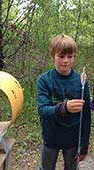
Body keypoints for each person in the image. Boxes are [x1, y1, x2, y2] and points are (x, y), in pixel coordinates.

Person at [37, 34, 91, 170]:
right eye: (61, 56)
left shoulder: (82, 82)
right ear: (53, 56)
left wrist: (84, 145)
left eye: (70, 56)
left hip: (72, 140)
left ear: (74, 56)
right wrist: (64, 107)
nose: (66, 61)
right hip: (50, 138)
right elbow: (43, 110)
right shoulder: (44, 80)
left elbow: (86, 116)